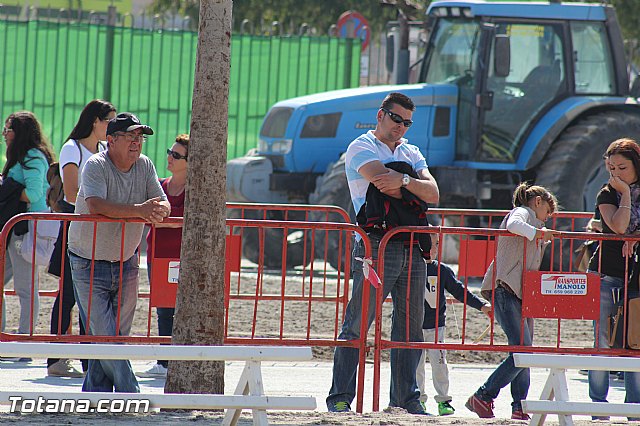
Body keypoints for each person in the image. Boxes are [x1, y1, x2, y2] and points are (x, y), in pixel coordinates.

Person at [326, 92, 439, 415]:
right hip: (375, 242)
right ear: (381, 115)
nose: (401, 127)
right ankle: (340, 397)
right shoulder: (361, 146)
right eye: (396, 119)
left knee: (410, 327)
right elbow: (380, 182)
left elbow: (431, 193)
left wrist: (402, 178)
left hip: (410, 242)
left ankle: (406, 399)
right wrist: (412, 183)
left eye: (407, 122)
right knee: (358, 323)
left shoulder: (411, 151)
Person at [68, 112, 170, 392]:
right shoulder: (95, 165)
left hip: (126, 259)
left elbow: (162, 201)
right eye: (130, 136)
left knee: (114, 337)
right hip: (87, 260)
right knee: (107, 336)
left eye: (140, 137)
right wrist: (141, 211)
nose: (137, 142)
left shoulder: (145, 165)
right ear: (111, 140)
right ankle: (131, 393)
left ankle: (95, 395)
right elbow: (96, 205)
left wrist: (161, 210)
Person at [467, 182, 558, 420]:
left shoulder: (532, 220)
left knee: (522, 351)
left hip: (518, 293)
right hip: (507, 290)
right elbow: (513, 224)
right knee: (523, 351)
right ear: (537, 202)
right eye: (548, 212)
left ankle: (519, 406)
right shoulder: (523, 213)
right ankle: (485, 395)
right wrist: (538, 233)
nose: (547, 219)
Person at [47, 99, 116, 378]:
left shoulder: (102, 149)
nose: (111, 126)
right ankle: (55, 359)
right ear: (95, 121)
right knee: (69, 295)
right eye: (109, 120)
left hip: (98, 228)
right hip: (75, 227)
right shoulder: (71, 148)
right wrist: (104, 205)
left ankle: (90, 362)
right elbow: (72, 193)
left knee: (92, 296)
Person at [586, 138, 640, 421]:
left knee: (635, 341)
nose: (617, 174)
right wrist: (626, 195)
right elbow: (618, 227)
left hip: (637, 278)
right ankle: (599, 406)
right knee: (602, 341)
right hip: (606, 273)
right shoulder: (607, 193)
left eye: (623, 168)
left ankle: (634, 407)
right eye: (611, 168)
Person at [417, 234, 492, 416]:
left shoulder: (442, 270)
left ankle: (443, 400)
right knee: (416, 366)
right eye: (428, 243)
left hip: (436, 327)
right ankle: (418, 400)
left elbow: (460, 291)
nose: (433, 248)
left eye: (436, 244)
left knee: (440, 364)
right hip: (413, 327)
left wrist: (482, 306)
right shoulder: (409, 268)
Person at [137, 134, 188, 378]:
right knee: (162, 309)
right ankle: (164, 363)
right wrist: (169, 220)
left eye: (177, 155)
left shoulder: (195, 191)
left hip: (180, 257)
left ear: (190, 161)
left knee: (180, 309)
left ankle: (176, 361)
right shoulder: (161, 185)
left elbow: (184, 221)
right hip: (157, 255)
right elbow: (151, 217)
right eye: (170, 151)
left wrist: (164, 220)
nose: (170, 157)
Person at [2, 111, 55, 338]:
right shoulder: (21, 156)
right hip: (15, 228)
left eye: (8, 129)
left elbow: (34, 194)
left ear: (20, 132)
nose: (4, 134)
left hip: (26, 228)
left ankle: (24, 341)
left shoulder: (32, 156)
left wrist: (7, 190)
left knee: (26, 288)